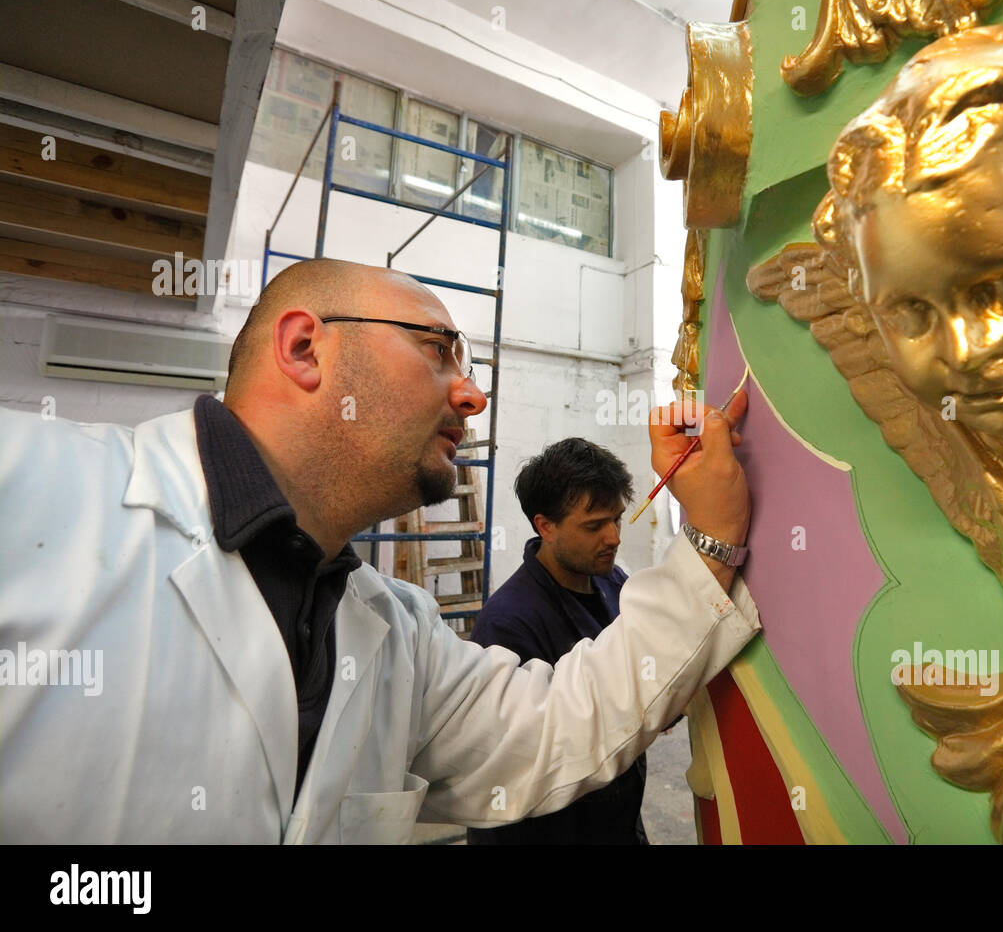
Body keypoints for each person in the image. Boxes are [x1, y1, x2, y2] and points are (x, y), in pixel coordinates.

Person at [0, 258, 758, 843]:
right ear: (304, 348)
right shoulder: (31, 484)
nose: (472, 396)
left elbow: (556, 726)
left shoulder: (395, 632)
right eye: (438, 352)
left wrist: (709, 544)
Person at [467, 438, 648, 844]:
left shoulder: (615, 585)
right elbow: (515, 762)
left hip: (617, 821)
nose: (614, 537)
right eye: (594, 525)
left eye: (617, 519)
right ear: (544, 525)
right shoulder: (508, 625)